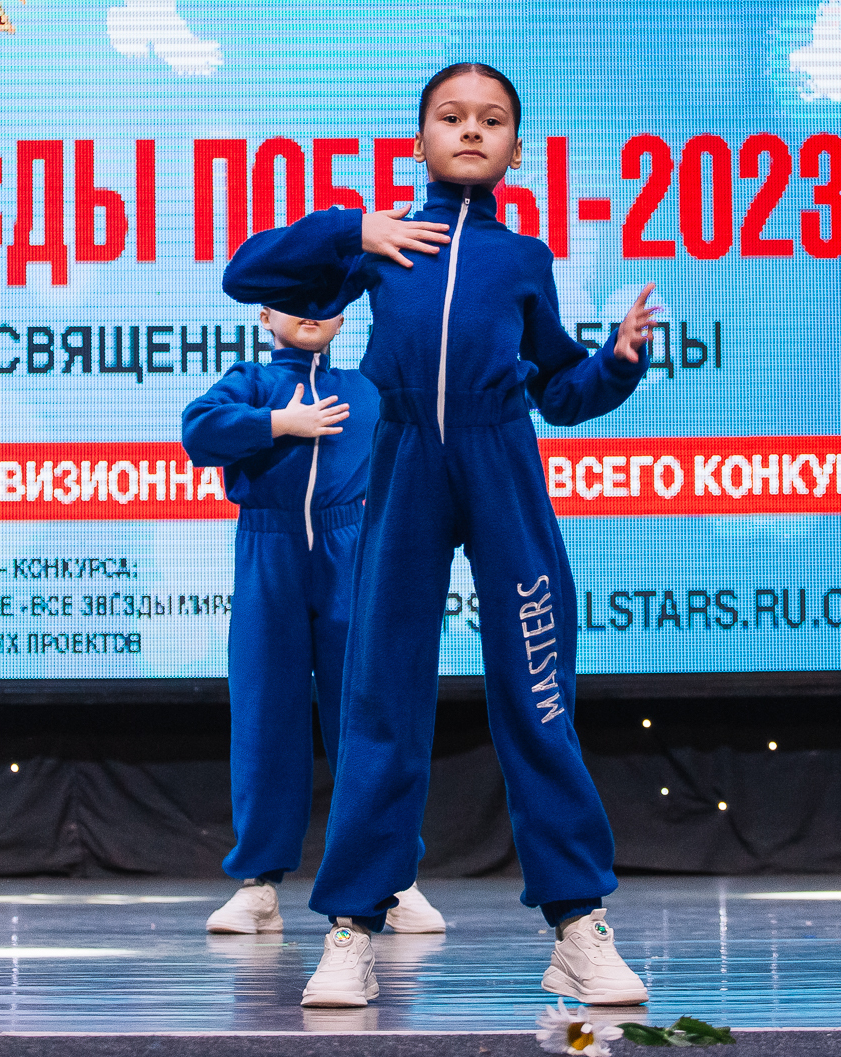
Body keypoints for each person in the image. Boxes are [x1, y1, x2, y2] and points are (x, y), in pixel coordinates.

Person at [222, 64, 658, 1008]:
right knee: (379, 702)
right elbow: (246, 274)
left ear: (515, 149)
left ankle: (577, 925)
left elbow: (559, 389)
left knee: (538, 697)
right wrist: (352, 230)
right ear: (419, 139)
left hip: (504, 470)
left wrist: (617, 364)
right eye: (451, 117)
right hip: (406, 464)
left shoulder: (524, 258)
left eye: (491, 120)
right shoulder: (386, 243)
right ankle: (352, 929)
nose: (470, 130)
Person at [182, 309, 445, 938]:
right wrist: (278, 422)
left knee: (365, 715)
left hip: (349, 549)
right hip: (267, 550)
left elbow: (433, 431)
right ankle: (259, 884)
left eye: (324, 299)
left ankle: (391, 877)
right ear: (265, 315)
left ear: (344, 316)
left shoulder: (365, 388)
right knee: (264, 716)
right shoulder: (251, 381)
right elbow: (199, 431)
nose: (310, 311)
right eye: (293, 298)